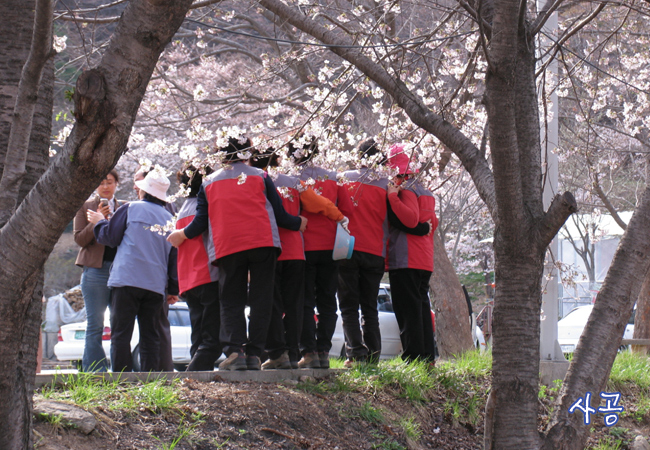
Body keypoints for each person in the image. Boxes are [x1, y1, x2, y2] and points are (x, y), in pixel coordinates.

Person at [168, 137, 306, 371]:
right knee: (262, 299)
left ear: (219, 155)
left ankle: (235, 352)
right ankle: (254, 354)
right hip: (263, 243)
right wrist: (298, 223)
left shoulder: (208, 182)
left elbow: (201, 221)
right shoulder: (260, 176)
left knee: (231, 299)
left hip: (228, 246)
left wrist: (182, 234)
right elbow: (280, 215)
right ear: (248, 153)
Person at [249, 148, 347, 369]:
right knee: (304, 303)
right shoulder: (294, 181)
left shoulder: (252, 181)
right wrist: (339, 216)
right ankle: (304, 352)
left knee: (279, 303)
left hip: (272, 248)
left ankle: (282, 352)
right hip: (299, 249)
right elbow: (315, 201)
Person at [89, 169, 179, 372]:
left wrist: (100, 222)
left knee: (121, 334)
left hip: (127, 279)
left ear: (143, 191)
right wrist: (173, 288)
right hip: (155, 284)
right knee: (151, 336)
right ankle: (150, 381)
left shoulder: (131, 208)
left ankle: (122, 379)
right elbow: (174, 257)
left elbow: (110, 238)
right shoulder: (170, 218)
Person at [289, 138, 355, 369]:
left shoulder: (291, 179)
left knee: (305, 301)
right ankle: (324, 350)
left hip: (304, 246)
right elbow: (346, 210)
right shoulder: (333, 178)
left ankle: (308, 351)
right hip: (330, 246)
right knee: (327, 301)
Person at [337, 139, 390, 367]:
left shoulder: (343, 179)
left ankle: (355, 353)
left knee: (348, 305)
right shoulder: (386, 185)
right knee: (370, 306)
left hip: (347, 248)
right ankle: (373, 355)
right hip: (374, 250)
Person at [385, 144, 439, 364]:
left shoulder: (406, 188)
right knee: (421, 307)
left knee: (408, 310)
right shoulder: (425, 190)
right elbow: (432, 223)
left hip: (406, 257)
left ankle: (413, 357)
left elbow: (409, 219)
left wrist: (392, 198)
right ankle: (427, 357)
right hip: (424, 258)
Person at [73, 169, 123, 372]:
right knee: (95, 324)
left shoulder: (125, 208)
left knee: (118, 322)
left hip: (120, 270)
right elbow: (79, 239)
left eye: (109, 182)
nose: (105, 186)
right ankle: (95, 370)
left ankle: (119, 369)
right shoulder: (85, 207)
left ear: (116, 184)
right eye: (101, 182)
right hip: (95, 270)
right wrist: (95, 223)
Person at [175, 163, 222, 371]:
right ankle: (195, 371)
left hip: (188, 277)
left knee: (198, 330)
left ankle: (199, 372)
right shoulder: (207, 207)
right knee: (212, 333)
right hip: (208, 273)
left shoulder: (181, 211)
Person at [134, 166, 175, 371]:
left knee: (155, 327)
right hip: (155, 279)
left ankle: (161, 371)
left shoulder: (161, 211)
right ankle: (158, 371)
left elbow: (172, 250)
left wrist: (173, 285)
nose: (135, 186)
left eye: (139, 182)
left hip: (154, 278)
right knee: (155, 327)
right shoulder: (166, 210)